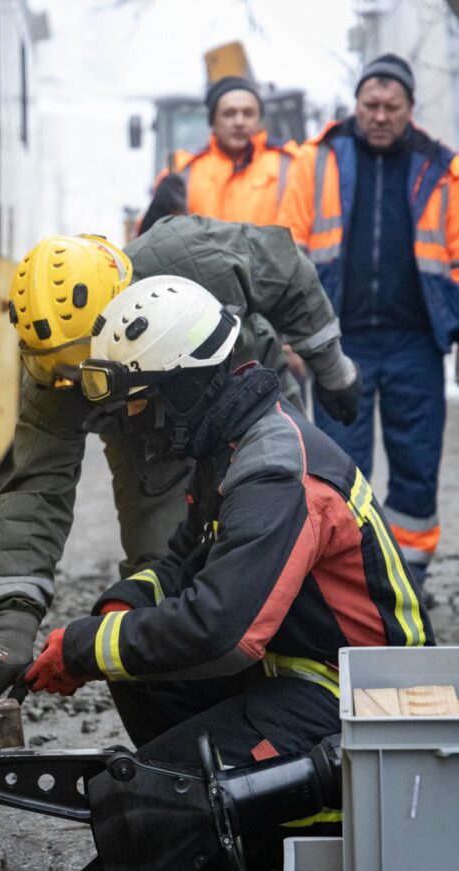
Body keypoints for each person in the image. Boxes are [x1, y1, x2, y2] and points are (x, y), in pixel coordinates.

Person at [24, 275, 434, 778]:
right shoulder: (227, 445)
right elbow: (182, 563)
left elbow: (222, 632)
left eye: (141, 401)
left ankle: (254, 821)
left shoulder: (273, 472)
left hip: (363, 700)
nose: (134, 420)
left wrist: (86, 648)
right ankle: (218, 813)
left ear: (184, 389)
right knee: (140, 686)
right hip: (298, 670)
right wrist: (122, 606)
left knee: (153, 800)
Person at [0, 218, 360, 703]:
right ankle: (204, 706)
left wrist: (335, 370)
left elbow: (289, 274)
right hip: (146, 438)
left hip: (247, 401)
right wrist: (13, 631)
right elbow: (36, 488)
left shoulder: (194, 257)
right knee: (166, 571)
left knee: (277, 540)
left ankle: (300, 674)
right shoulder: (58, 373)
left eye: (83, 364)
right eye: (64, 372)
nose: (73, 381)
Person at [278, 54, 459, 597]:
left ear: (409, 109)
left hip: (416, 343)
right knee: (340, 467)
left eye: (391, 107)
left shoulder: (442, 168)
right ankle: (352, 578)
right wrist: (293, 333)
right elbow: (287, 248)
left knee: (416, 464)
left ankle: (411, 576)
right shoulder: (318, 161)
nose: (379, 116)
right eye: (370, 105)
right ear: (356, 105)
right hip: (338, 343)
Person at [139, 76, 299, 236]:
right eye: (229, 114)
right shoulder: (182, 171)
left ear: (259, 120)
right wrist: (155, 215)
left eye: (248, 113)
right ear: (213, 121)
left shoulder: (291, 164)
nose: (239, 121)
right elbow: (146, 244)